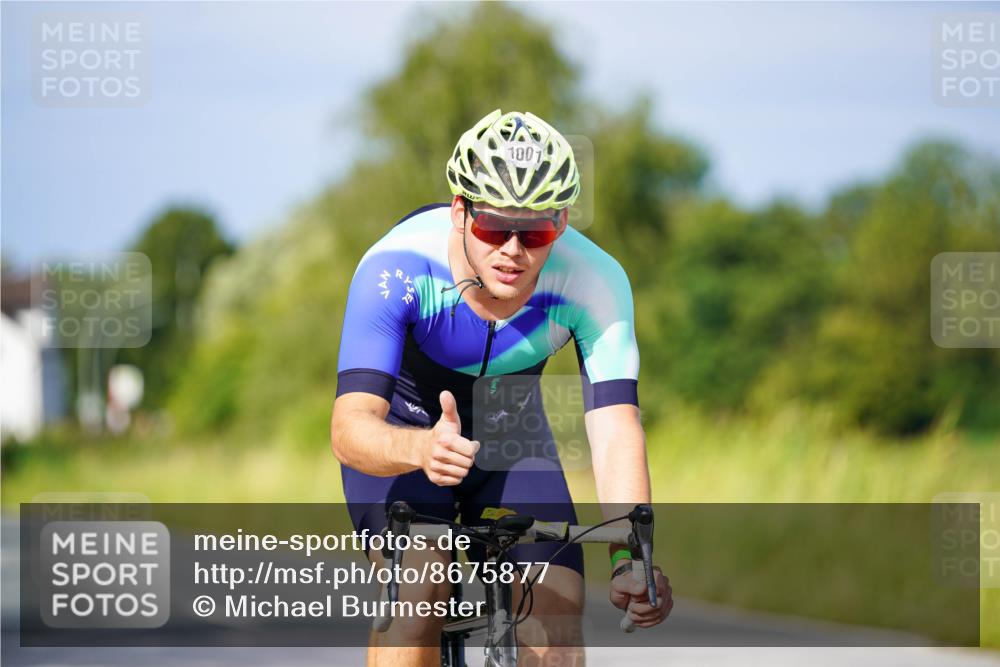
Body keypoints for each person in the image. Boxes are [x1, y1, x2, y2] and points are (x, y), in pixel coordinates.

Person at [330, 109, 671, 667]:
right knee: (421, 590)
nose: (513, 250)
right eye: (494, 227)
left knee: (556, 619)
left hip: (511, 434)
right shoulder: (396, 266)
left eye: (535, 231)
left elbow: (614, 429)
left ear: (561, 222)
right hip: (407, 432)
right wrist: (419, 447)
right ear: (460, 212)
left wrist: (630, 557)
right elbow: (349, 428)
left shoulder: (594, 281)